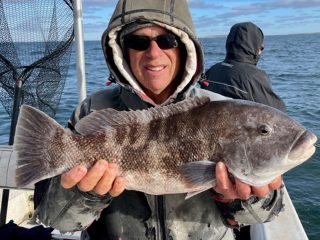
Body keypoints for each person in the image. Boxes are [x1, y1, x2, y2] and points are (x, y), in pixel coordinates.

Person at [33, 1, 283, 239]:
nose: (154, 53)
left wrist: (243, 198)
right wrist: (84, 195)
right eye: (138, 41)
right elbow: (54, 219)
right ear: (122, 50)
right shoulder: (91, 111)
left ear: (185, 47)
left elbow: (267, 213)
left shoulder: (220, 109)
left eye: (167, 40)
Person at [202, 22, 286, 111]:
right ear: (254, 48)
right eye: (261, 48)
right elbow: (278, 111)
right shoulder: (254, 77)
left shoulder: (212, 70)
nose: (261, 51)